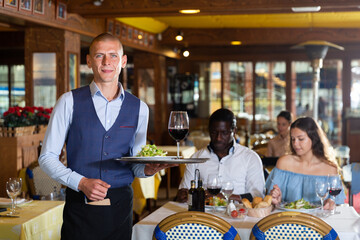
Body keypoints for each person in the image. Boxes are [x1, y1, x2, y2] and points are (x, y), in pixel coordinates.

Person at [39, 33, 171, 240]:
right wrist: (81, 182)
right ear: (89, 61)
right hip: (80, 207)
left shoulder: (140, 108)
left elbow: (135, 161)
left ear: (123, 61)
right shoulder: (68, 101)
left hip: (120, 208)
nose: (107, 62)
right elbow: (47, 157)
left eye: (113, 55)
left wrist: (147, 169)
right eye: (100, 55)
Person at [176, 108, 265, 203]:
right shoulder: (196, 158)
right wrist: (182, 196)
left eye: (224, 133)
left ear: (234, 131)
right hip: (203, 215)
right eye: (214, 132)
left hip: (238, 215)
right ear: (209, 131)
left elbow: (258, 195)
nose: (218, 138)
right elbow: (184, 192)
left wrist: (223, 196)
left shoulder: (250, 158)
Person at [266, 117, 345, 209]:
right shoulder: (284, 163)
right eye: (293, 139)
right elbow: (269, 200)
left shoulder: (330, 168)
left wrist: (331, 203)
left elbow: (337, 204)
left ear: (314, 138)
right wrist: (275, 200)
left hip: (319, 221)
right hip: (288, 220)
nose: (295, 143)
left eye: (301, 139)